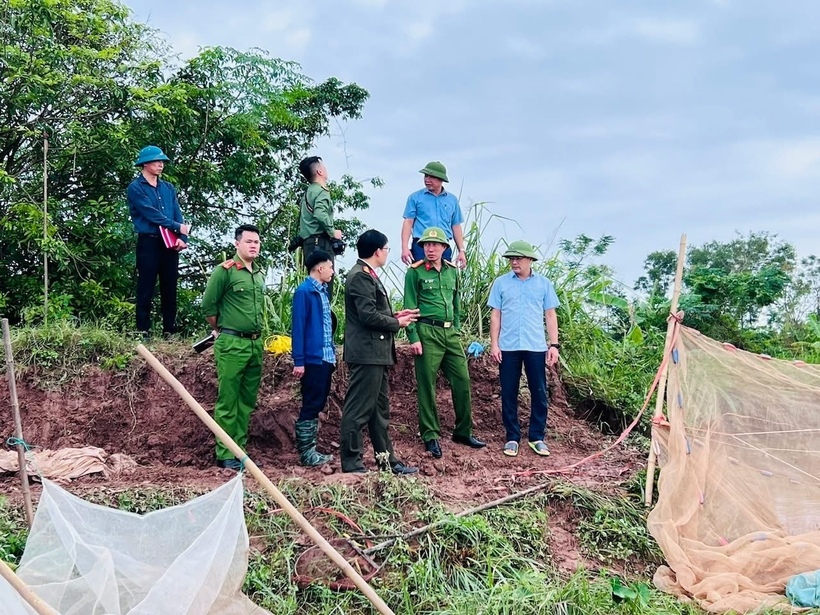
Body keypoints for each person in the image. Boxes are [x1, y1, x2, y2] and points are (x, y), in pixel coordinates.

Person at [339, 229, 419, 475]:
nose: (387, 254)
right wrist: (397, 324)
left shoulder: (368, 275)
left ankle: (387, 462)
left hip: (376, 353)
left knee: (379, 412)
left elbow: (374, 312)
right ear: (377, 251)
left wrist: (395, 316)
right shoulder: (361, 276)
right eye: (386, 249)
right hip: (367, 354)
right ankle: (352, 462)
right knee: (358, 409)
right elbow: (367, 315)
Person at [403, 227, 485, 459]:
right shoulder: (415, 273)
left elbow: (456, 303)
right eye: (426, 245)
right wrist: (414, 337)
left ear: (444, 248)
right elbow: (409, 307)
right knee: (427, 385)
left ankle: (463, 431)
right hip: (427, 332)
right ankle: (430, 435)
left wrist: (456, 329)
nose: (430, 249)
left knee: (462, 380)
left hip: (450, 334)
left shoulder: (452, 271)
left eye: (435, 245)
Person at [201, 224, 265, 471]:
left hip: (254, 343)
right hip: (231, 342)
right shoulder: (225, 271)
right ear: (237, 244)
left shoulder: (258, 274)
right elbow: (209, 307)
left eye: (257, 242)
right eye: (248, 241)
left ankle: (240, 452)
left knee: (246, 401)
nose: (253, 245)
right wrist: (221, 329)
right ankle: (226, 453)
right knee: (228, 401)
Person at [488, 240, 560, 457]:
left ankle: (537, 437)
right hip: (508, 346)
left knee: (539, 392)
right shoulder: (501, 283)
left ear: (530, 260)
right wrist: (494, 344)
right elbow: (495, 315)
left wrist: (554, 344)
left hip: (535, 346)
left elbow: (550, 315)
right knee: (509, 392)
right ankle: (512, 437)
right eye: (511, 258)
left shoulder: (544, 284)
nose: (514, 262)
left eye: (518, 258)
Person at [127, 145, 191, 338]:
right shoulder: (135, 187)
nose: (160, 164)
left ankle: (169, 330)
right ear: (145, 164)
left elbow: (177, 213)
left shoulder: (168, 188)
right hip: (149, 242)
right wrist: (177, 226)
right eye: (156, 161)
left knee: (170, 286)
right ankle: (143, 330)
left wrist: (182, 237)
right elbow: (150, 214)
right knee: (146, 286)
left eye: (162, 161)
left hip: (170, 243)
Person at [291, 249, 336, 467]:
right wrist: (299, 360)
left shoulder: (322, 291)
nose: (332, 271)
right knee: (311, 403)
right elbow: (298, 328)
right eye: (330, 267)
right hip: (312, 358)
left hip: (325, 357)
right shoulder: (304, 291)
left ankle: (311, 450)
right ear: (320, 268)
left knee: (317, 401)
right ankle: (307, 454)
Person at [400, 161, 467, 269]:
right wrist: (404, 247)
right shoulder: (415, 197)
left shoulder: (452, 200)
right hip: (421, 245)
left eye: (432, 177)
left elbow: (456, 225)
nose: (427, 179)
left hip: (443, 245)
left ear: (441, 179)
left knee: (444, 276)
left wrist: (461, 250)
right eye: (426, 176)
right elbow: (408, 222)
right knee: (420, 275)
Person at [298, 155, 343, 297]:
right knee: (324, 288)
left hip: (309, 244)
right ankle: (323, 319)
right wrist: (332, 232)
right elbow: (320, 214)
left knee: (314, 285)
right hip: (320, 244)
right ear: (319, 172)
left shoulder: (308, 192)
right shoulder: (321, 192)